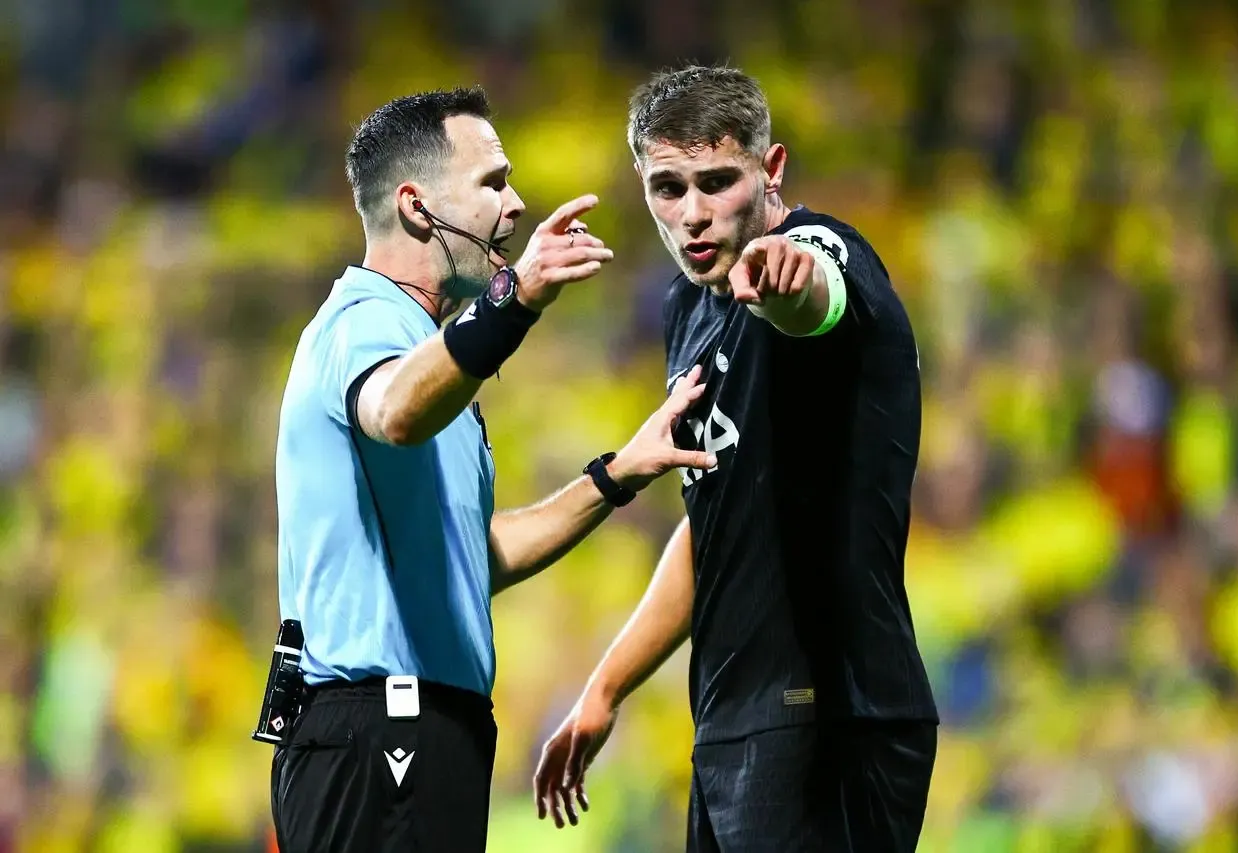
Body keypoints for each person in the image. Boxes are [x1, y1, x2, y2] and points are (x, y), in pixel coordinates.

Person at [269, 86, 715, 853]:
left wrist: (616, 473)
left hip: (415, 727)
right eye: (491, 182)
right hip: (381, 726)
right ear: (416, 206)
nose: (514, 207)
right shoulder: (367, 320)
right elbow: (394, 410)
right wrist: (515, 299)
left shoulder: (426, 346)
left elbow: (470, 556)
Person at [533, 66, 939, 851]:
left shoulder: (817, 247)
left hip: (830, 710)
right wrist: (606, 686)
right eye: (667, 188)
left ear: (771, 168)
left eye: (717, 182)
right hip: (734, 717)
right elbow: (709, 519)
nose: (692, 215)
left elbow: (817, 291)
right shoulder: (689, 305)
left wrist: (787, 279)